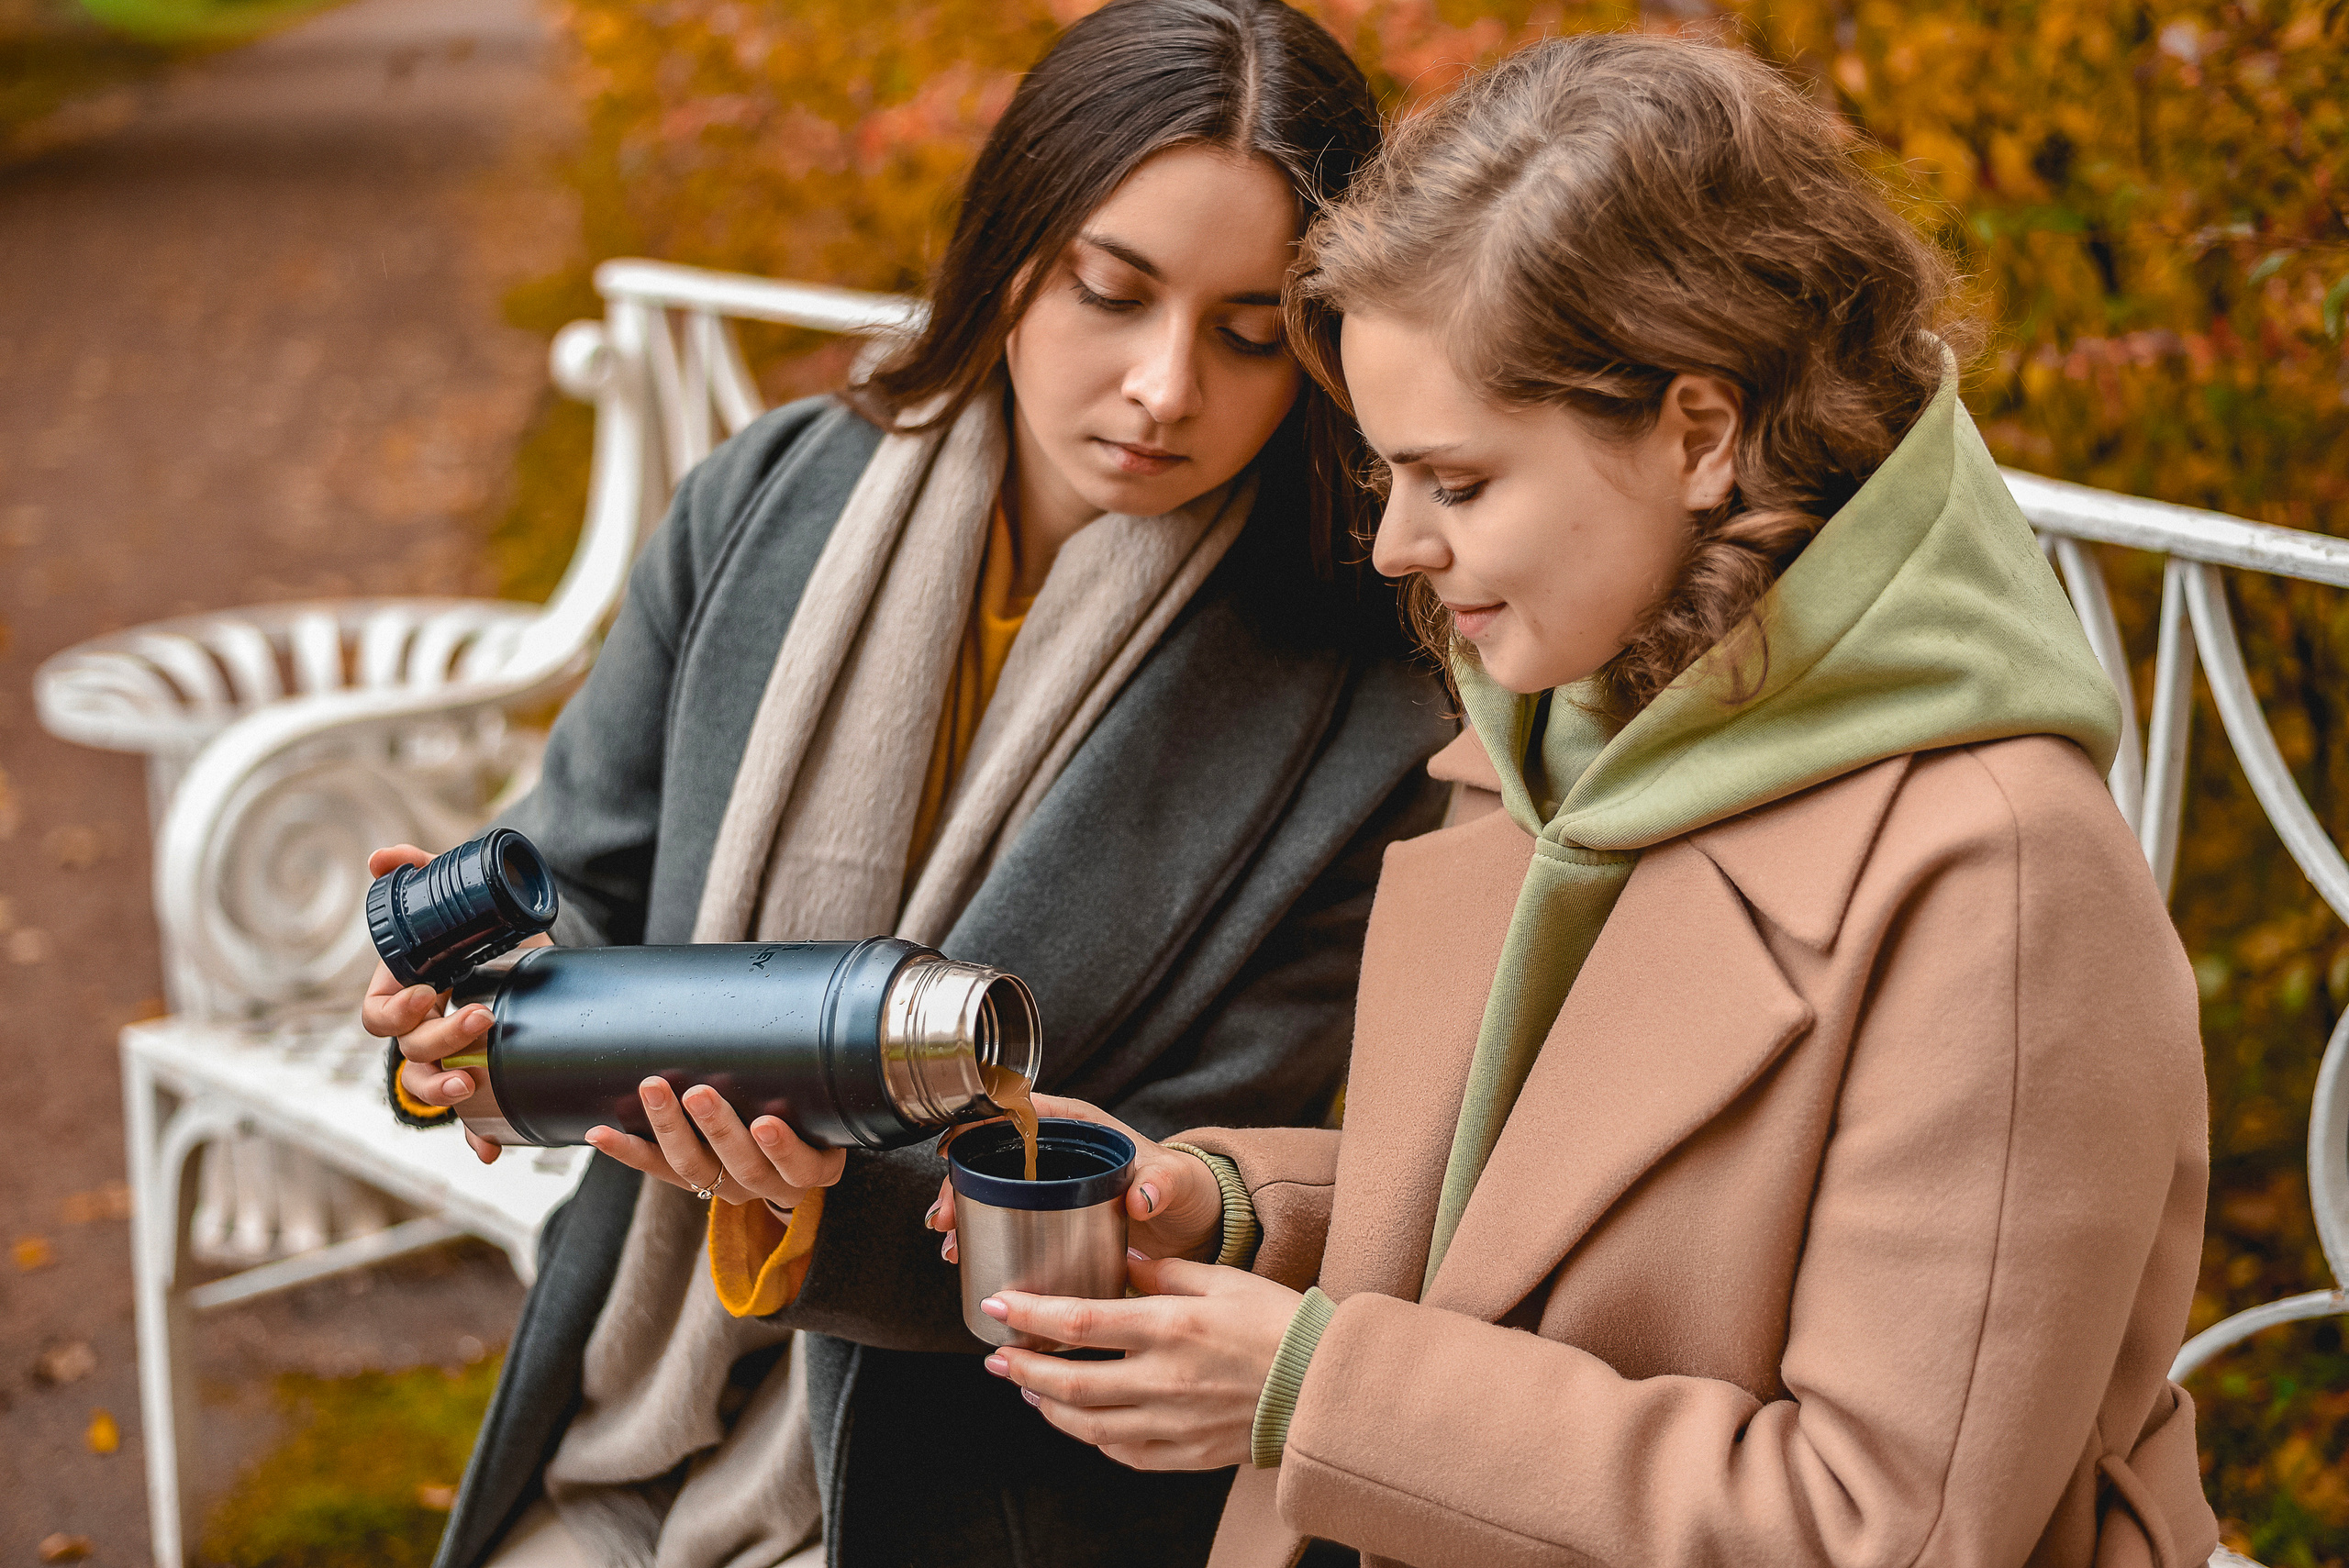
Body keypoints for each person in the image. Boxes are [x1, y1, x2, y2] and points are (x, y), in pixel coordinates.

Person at [943, 33, 2221, 1567]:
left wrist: (1309, 1388)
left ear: (1699, 431)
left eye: (1458, 482)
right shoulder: (1582, 720)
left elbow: (1885, 1524)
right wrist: (1223, 1204)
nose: (1395, 545)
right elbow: (1554, 1209)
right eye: (1386, 475)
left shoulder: (2002, 875)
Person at [360, 3, 1453, 1564]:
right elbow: (586, 873)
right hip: (632, 1378)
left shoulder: (1359, 702)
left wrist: (803, 1204)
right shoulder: (765, 497)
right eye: (1110, 290)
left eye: (1249, 332)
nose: (1162, 386)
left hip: (970, 1468)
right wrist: (458, 1039)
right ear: (1011, 247)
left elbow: (1178, 1173)